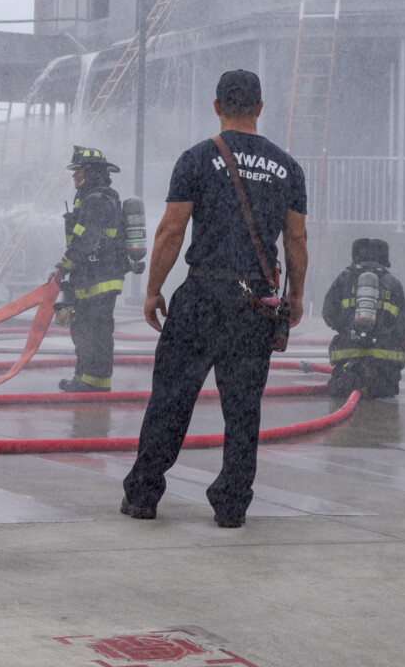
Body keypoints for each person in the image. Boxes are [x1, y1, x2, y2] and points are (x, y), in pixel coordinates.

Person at [121, 69, 307, 527]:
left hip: (203, 294)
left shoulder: (198, 159)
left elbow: (170, 230)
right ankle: (232, 503)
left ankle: (144, 494)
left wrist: (152, 290)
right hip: (255, 302)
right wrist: (295, 297)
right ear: (260, 109)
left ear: (217, 107)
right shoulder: (287, 168)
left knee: (171, 397)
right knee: (243, 407)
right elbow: (297, 240)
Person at [50, 147, 130, 392]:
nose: (74, 176)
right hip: (98, 276)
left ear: (91, 173)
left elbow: (84, 242)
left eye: (79, 171)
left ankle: (89, 381)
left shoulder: (95, 200)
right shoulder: (101, 197)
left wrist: (62, 268)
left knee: (89, 330)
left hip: (97, 278)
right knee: (94, 330)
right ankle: (91, 379)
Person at [322, 238, 405, 398]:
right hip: (384, 374)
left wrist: (348, 328)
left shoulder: (343, 280)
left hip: (348, 370)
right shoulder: (394, 284)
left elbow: (328, 314)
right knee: (384, 416)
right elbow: (402, 327)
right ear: (384, 258)